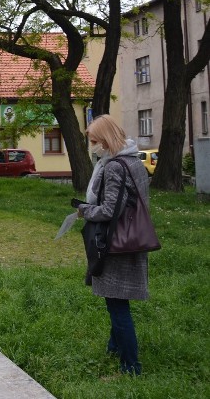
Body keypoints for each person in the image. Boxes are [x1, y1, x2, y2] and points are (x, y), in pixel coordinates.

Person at [75, 114, 149, 376]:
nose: (93, 145)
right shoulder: (134, 162)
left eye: (94, 140)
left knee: (117, 305)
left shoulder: (115, 166)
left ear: (105, 140)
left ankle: (131, 367)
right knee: (116, 301)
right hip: (132, 240)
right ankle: (114, 349)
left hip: (116, 244)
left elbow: (109, 210)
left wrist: (84, 211)